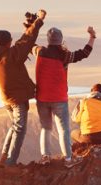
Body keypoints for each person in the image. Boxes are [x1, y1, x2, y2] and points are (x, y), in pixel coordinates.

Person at [0, 1, 45, 166]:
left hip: (5, 99)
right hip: (16, 99)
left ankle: (4, 155)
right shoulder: (12, 55)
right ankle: (10, 162)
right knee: (20, 128)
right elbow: (27, 40)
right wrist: (39, 21)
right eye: (10, 41)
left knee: (14, 126)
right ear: (7, 43)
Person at [33, 26, 96, 168]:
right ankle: (68, 159)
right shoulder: (65, 55)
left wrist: (30, 27)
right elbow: (84, 53)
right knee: (64, 130)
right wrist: (92, 37)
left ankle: (45, 157)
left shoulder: (40, 51)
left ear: (48, 40)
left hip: (42, 97)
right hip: (59, 98)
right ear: (60, 40)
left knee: (46, 128)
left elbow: (30, 45)